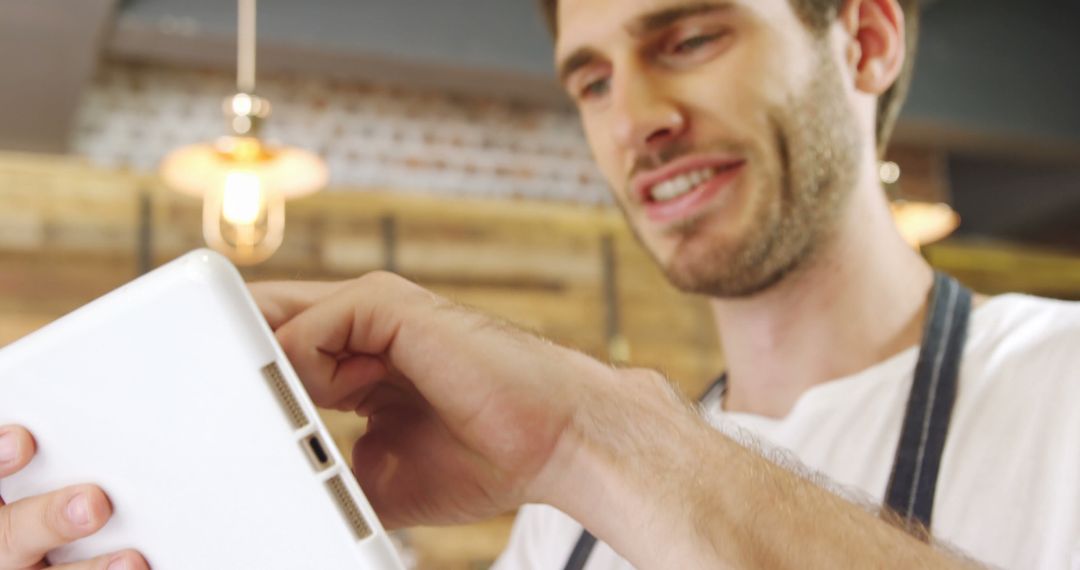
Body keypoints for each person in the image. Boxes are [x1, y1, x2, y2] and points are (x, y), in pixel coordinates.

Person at [1, 0, 1077, 568]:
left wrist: (590, 438)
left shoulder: (1060, 390)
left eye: (691, 36)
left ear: (868, 39)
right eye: (593, 79)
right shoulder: (558, 529)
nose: (636, 120)